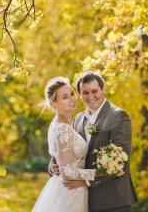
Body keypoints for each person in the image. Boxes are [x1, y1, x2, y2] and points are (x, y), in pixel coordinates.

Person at [50, 71, 138, 212]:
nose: (91, 97)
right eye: (85, 92)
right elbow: (68, 154)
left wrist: (87, 181)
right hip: (83, 201)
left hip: (113, 200)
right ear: (79, 94)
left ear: (103, 90)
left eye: (95, 91)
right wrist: (54, 166)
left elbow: (121, 161)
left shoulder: (118, 116)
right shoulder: (77, 119)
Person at [32, 77, 99, 212]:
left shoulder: (61, 124)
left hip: (72, 190)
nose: (72, 99)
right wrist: (98, 173)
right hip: (70, 193)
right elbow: (67, 171)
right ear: (54, 103)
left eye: (72, 94)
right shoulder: (62, 129)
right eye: (64, 97)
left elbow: (60, 161)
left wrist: (53, 166)